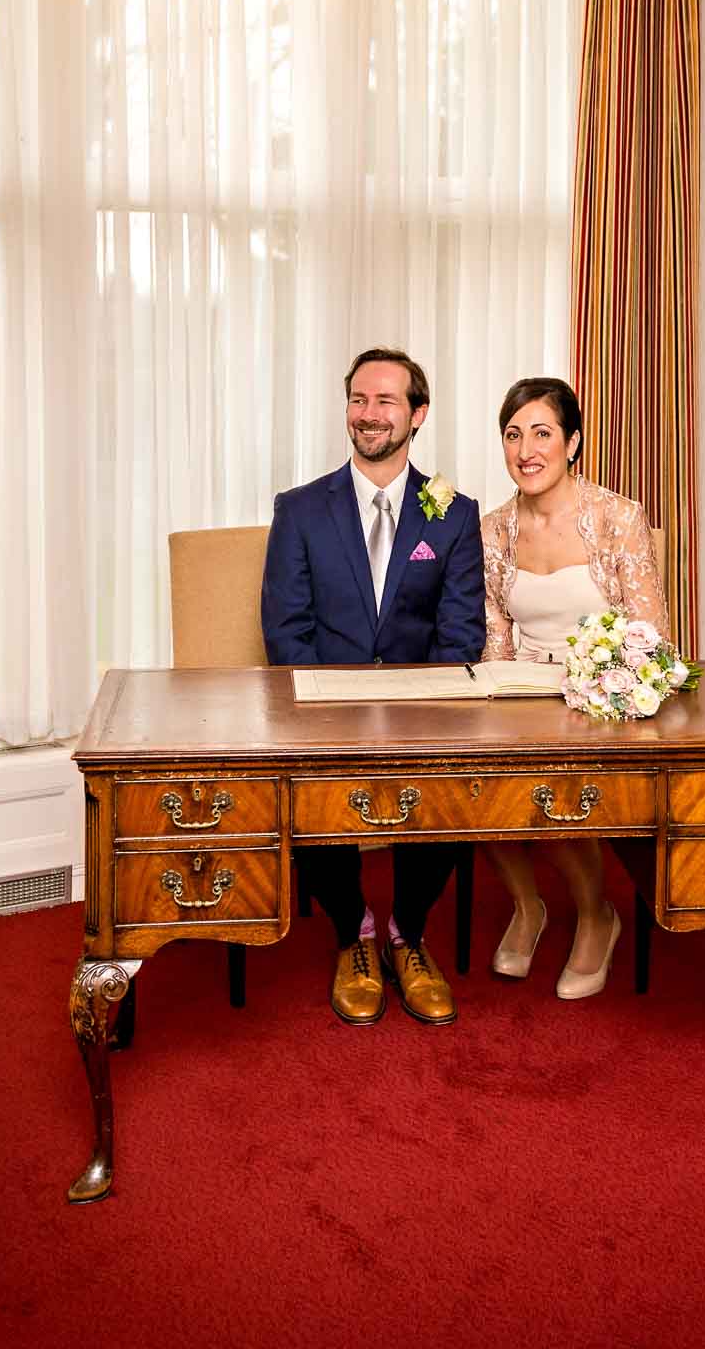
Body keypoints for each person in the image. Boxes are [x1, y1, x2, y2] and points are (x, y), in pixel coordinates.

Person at [261, 346, 486, 1027]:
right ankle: (352, 931)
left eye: (386, 401)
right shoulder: (300, 509)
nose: (370, 414)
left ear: (417, 414)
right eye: (359, 399)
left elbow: (461, 627)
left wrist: (426, 708)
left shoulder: (452, 510)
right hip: (326, 704)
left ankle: (406, 934)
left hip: (423, 707)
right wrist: (326, 708)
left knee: (456, 779)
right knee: (313, 779)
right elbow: (285, 625)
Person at [480, 376, 668, 999]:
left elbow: (647, 633)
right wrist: (498, 704)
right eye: (513, 435)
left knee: (556, 795)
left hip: (601, 695)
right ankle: (528, 906)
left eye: (541, 433)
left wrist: (600, 690)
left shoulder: (618, 518)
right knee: (475, 783)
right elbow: (495, 632)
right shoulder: (492, 528)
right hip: (521, 687)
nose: (526, 449)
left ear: (573, 442)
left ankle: (596, 916)